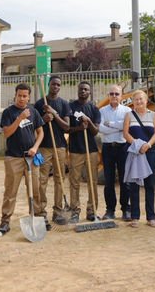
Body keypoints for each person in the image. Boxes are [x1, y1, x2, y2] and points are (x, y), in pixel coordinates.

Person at [0, 83, 45, 234]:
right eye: (19, 96)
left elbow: (41, 133)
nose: (22, 99)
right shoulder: (8, 112)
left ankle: (38, 216)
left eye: (25, 96)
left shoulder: (34, 111)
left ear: (29, 97)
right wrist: (19, 118)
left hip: (31, 157)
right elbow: (7, 133)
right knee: (11, 191)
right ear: (15, 95)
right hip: (14, 158)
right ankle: (5, 221)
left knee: (35, 189)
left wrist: (35, 147)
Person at [34, 75, 71, 225]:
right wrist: (44, 119)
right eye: (53, 84)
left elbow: (66, 126)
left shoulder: (64, 104)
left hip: (60, 146)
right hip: (43, 147)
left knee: (59, 179)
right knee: (42, 179)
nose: (55, 87)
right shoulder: (39, 103)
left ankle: (58, 211)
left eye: (58, 85)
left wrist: (54, 114)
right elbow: (34, 125)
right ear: (48, 85)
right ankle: (41, 211)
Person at [122, 89, 155, 227]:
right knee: (134, 185)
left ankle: (151, 217)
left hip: (149, 153)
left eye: (141, 99)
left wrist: (148, 145)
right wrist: (137, 145)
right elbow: (125, 133)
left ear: (146, 100)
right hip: (134, 153)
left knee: (150, 184)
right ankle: (135, 217)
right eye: (136, 99)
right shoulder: (129, 115)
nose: (139, 101)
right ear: (133, 102)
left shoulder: (153, 115)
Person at [66, 80, 101, 222]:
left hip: (91, 150)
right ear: (78, 90)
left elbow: (95, 131)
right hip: (75, 150)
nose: (83, 91)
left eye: (86, 89)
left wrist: (88, 122)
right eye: (81, 89)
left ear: (90, 92)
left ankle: (92, 211)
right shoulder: (70, 107)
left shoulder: (94, 109)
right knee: (74, 181)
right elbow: (67, 128)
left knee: (92, 181)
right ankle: (75, 211)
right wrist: (79, 128)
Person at [97, 85, 130, 220]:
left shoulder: (127, 110)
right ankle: (110, 210)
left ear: (121, 96)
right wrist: (119, 127)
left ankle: (125, 209)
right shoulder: (102, 111)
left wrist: (110, 124)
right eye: (112, 94)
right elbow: (101, 128)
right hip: (108, 148)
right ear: (108, 95)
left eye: (117, 94)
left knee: (125, 180)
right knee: (109, 180)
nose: (114, 96)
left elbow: (126, 127)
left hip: (123, 148)